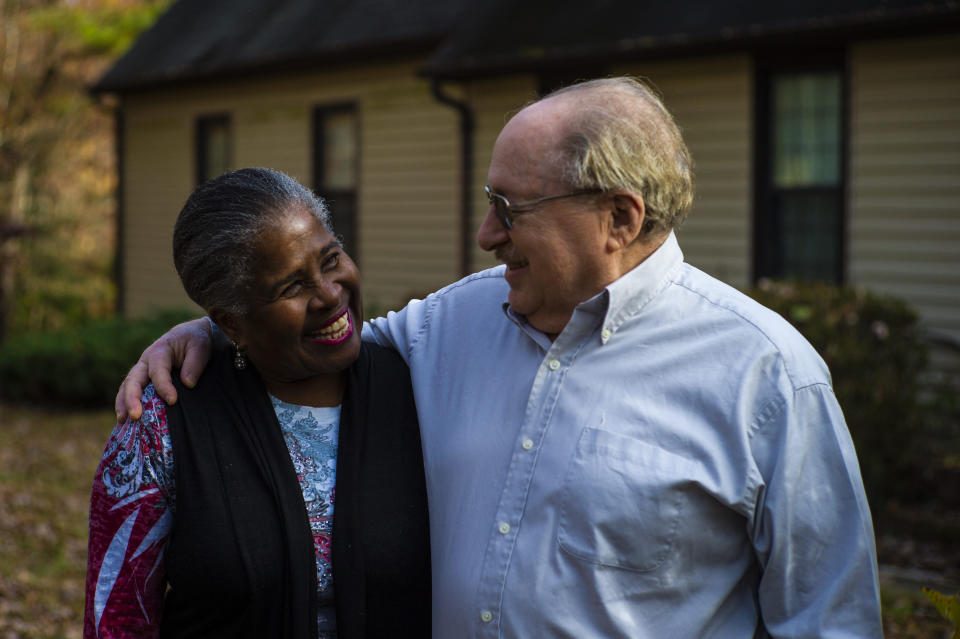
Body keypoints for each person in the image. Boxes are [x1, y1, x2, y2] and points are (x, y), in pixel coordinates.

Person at [117, 77, 883, 637]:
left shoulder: (768, 378)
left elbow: (829, 622)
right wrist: (210, 334)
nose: (486, 233)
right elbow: (316, 336)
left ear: (617, 217)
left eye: (510, 210)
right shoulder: (451, 322)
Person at [85, 168, 431, 639]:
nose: (329, 294)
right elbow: (118, 620)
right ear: (231, 323)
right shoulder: (160, 428)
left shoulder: (422, 390)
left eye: (330, 260)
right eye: (292, 287)